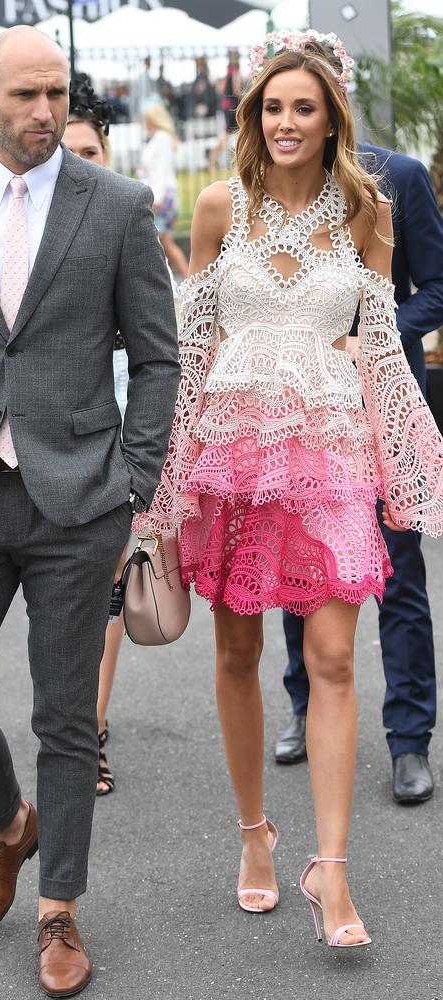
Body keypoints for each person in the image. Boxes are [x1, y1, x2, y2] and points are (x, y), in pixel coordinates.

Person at [0, 26, 179, 998]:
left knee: (65, 719)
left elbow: (157, 355)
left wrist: (133, 479)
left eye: (56, 92)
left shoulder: (119, 207)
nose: (44, 111)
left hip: (75, 501)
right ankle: (7, 827)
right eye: (24, 96)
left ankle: (58, 909)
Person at [134, 30, 443, 949]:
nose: (284, 122)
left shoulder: (368, 214)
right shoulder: (218, 208)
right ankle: (255, 837)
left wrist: (407, 466)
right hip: (229, 462)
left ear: (332, 117)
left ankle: (333, 872)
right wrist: (157, 490)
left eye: (303, 107)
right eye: (272, 107)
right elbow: (191, 359)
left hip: (333, 458)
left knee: (338, 658)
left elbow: (386, 350)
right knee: (235, 657)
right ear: (253, 116)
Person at [275, 144, 443, 805]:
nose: (292, 119)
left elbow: (436, 286)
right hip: (300, 409)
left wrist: (374, 335)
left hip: (381, 409)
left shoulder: (395, 177)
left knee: (397, 577)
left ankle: (409, 741)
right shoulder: (262, 188)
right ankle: (303, 705)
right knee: (300, 569)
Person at [62, 72, 127, 797]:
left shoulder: (124, 217)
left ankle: (92, 730)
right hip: (50, 430)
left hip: (117, 426)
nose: (80, 161)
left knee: (108, 583)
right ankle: (74, 719)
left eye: (91, 149)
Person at [138, 103, 189, 279]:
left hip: (163, 196)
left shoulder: (161, 138)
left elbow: (160, 169)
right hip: (164, 194)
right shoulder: (159, 139)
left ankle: (189, 279)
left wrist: (156, 198)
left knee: (164, 241)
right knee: (161, 241)